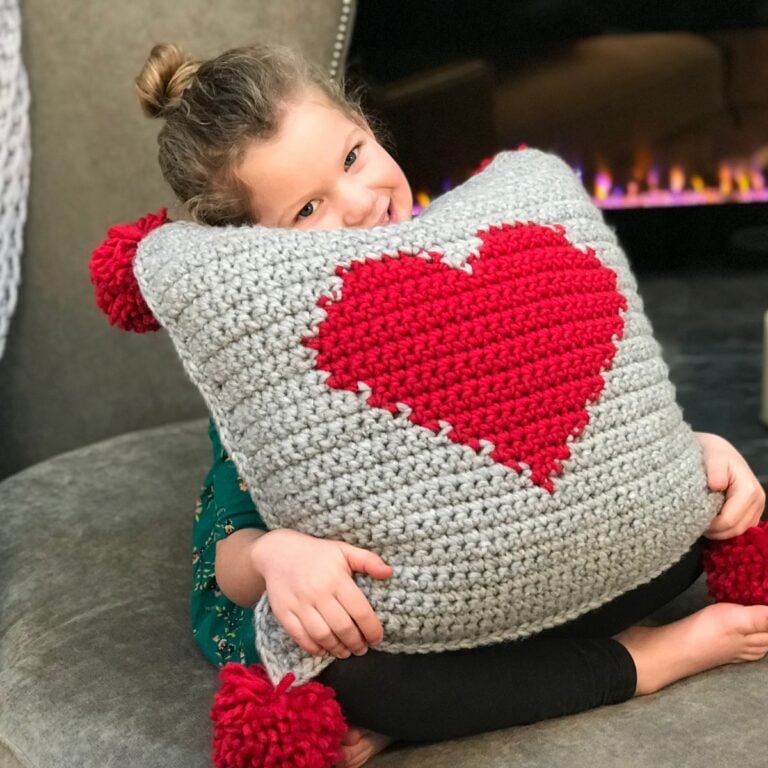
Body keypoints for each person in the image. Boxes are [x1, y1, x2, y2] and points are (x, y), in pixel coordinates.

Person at [135, 42, 768, 768]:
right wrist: (278, 557)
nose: (360, 204)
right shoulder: (276, 358)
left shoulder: (480, 249)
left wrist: (694, 456)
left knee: (705, 514)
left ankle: (486, 683)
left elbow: (600, 416)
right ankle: (640, 662)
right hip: (397, 608)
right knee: (362, 678)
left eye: (351, 157)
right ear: (248, 252)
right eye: (307, 208)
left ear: (368, 125)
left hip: (531, 562)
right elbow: (228, 549)